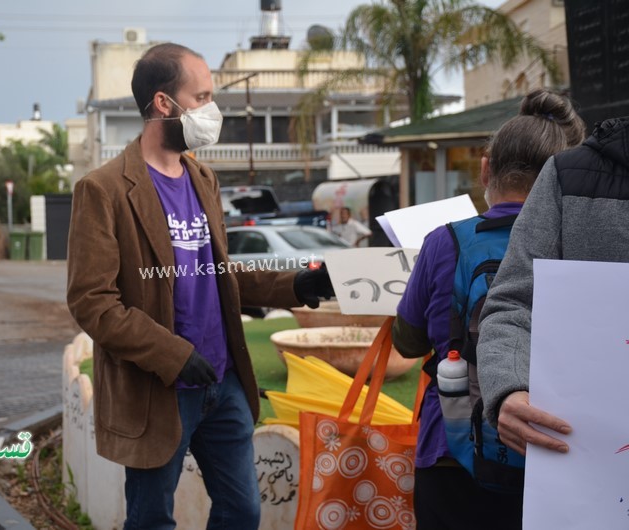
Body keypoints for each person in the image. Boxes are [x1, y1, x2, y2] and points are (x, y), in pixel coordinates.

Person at [66, 43, 334, 530]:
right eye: (203, 96)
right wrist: (171, 354)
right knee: (151, 520)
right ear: (164, 104)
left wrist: (292, 284)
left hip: (222, 380)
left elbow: (217, 272)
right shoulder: (102, 189)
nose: (212, 111)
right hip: (158, 389)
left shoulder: (203, 178)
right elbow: (93, 303)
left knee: (241, 511)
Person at [390, 89, 586, 530]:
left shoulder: (446, 241)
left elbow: (408, 341)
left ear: (485, 168)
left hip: (450, 450)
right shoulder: (574, 243)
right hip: (551, 441)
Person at [477, 114, 629, 460]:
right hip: (582, 460)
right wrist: (508, 386)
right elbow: (514, 304)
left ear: (487, 170)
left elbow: (409, 334)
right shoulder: (568, 176)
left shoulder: (444, 241)